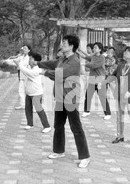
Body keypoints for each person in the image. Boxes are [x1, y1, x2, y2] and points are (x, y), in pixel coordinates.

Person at [37, 35, 91, 168]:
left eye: (65, 42)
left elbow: (59, 74)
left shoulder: (74, 62)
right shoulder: (62, 59)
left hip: (70, 98)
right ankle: (58, 150)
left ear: (72, 46)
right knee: (58, 125)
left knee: (76, 128)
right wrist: (37, 63)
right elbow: (51, 64)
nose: (62, 44)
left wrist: (44, 72)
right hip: (60, 98)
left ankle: (85, 156)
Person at [100, 46, 130, 148]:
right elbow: (113, 75)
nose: (124, 54)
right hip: (120, 95)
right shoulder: (120, 66)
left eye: (126, 52)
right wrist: (104, 82)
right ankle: (120, 136)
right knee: (120, 117)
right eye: (124, 52)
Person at [13, 52, 51, 133]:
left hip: (36, 94)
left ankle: (47, 126)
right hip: (29, 93)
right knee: (28, 109)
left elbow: (27, 72)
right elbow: (25, 70)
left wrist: (19, 65)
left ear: (35, 61)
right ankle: (30, 124)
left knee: (39, 110)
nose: (29, 60)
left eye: (30, 59)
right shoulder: (31, 68)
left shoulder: (37, 70)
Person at [79, 42, 111, 120]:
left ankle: (108, 113)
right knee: (88, 96)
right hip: (92, 79)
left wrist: (84, 64)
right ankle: (86, 111)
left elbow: (94, 65)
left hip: (100, 80)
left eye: (96, 47)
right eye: (94, 47)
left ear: (100, 49)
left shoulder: (102, 58)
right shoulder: (93, 57)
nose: (94, 49)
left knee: (102, 97)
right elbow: (86, 57)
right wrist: (78, 51)